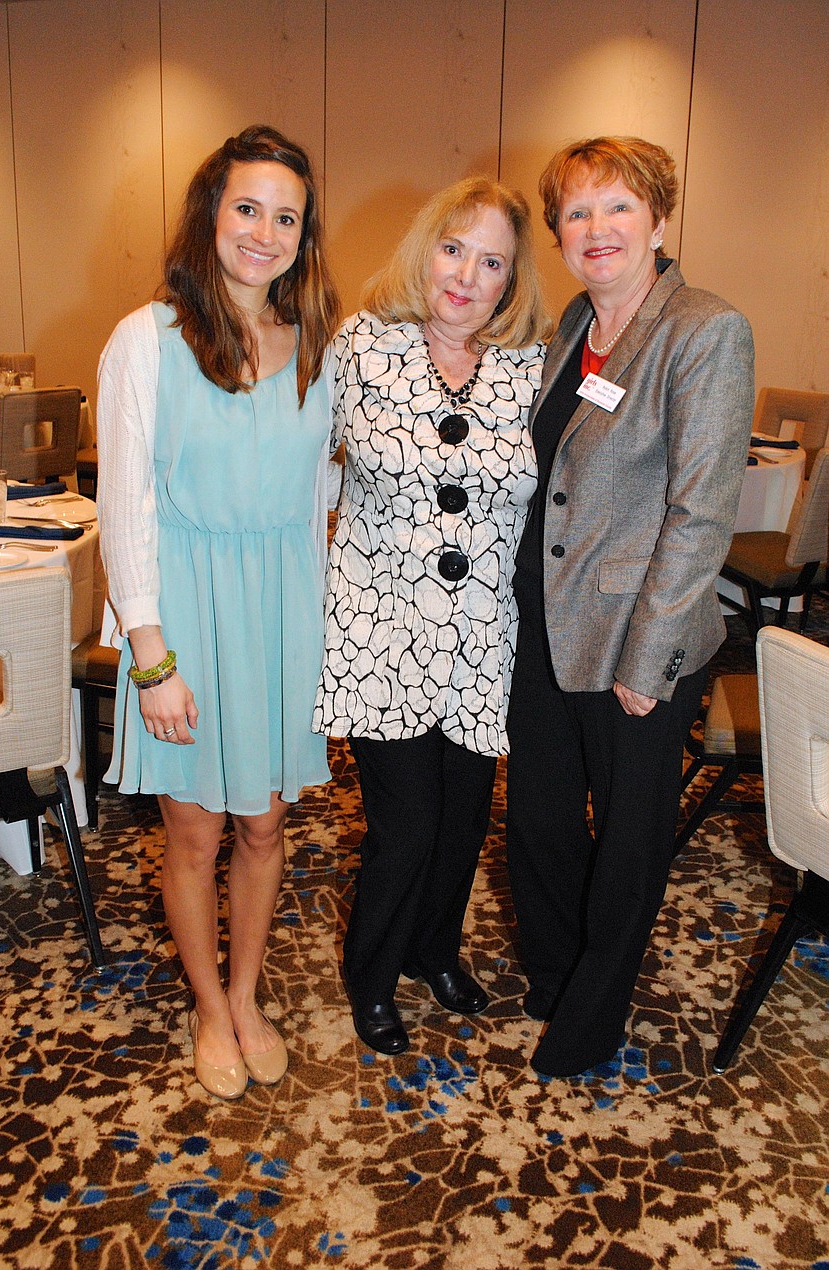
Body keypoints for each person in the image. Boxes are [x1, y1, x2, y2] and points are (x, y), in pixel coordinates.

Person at [97, 126, 340, 1099]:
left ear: (301, 235)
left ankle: (246, 994)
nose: (264, 231)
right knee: (195, 834)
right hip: (187, 617)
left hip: (278, 614)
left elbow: (320, 491)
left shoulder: (316, 344)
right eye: (248, 207)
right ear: (211, 213)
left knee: (266, 829)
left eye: (286, 216)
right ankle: (207, 1004)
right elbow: (123, 507)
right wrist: (150, 657)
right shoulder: (145, 340)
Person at [508, 136, 754, 1076]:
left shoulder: (704, 329)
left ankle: (593, 1013)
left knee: (628, 836)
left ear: (658, 217)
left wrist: (650, 664)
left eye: (617, 207)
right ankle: (554, 969)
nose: (596, 228)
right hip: (542, 621)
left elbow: (701, 513)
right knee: (536, 815)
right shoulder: (573, 324)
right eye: (575, 213)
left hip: (634, 635)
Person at [313, 177, 551, 1055]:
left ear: (511, 280)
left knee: (461, 821)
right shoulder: (362, 347)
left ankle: (433, 950)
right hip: (382, 632)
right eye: (454, 249)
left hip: (484, 634)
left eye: (492, 261)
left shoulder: (532, 368)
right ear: (426, 250)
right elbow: (306, 467)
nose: (467, 275)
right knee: (405, 825)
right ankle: (372, 976)